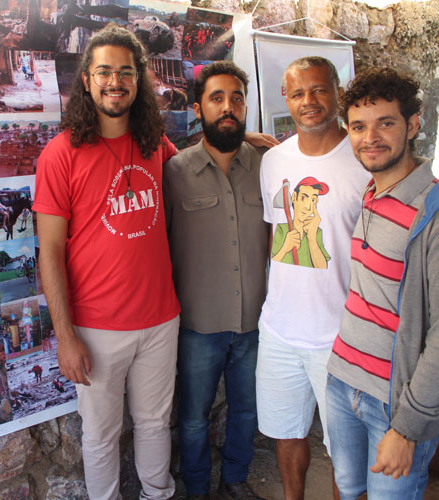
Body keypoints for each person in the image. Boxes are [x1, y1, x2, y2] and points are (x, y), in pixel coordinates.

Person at [32, 24, 181, 500]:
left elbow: (202, 167)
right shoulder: (60, 155)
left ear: (138, 81)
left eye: (125, 71)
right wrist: (66, 336)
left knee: (156, 423)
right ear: (87, 81)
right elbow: (49, 251)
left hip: (161, 319)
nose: (115, 81)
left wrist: (251, 144)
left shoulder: (156, 145)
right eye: (104, 72)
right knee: (100, 436)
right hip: (96, 328)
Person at [326, 68, 439, 499]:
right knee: (347, 490)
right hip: (342, 384)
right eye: (359, 126)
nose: (370, 137)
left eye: (385, 123)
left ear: (413, 125)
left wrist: (407, 428)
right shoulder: (371, 193)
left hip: (392, 406)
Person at [256, 56, 371, 500]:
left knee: (346, 452)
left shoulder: (364, 162)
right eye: (299, 92)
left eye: (320, 89)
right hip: (280, 329)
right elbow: (276, 240)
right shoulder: (273, 161)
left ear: (338, 93)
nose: (310, 101)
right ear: (285, 98)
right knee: (286, 434)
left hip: (341, 336)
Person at [165, 61, 270, 500]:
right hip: (198, 325)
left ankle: (234, 480)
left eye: (237, 99)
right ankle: (196, 489)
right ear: (197, 108)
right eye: (217, 98)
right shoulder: (174, 172)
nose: (229, 107)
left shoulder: (268, 165)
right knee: (192, 417)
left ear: (246, 107)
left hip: (254, 322)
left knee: (247, 409)